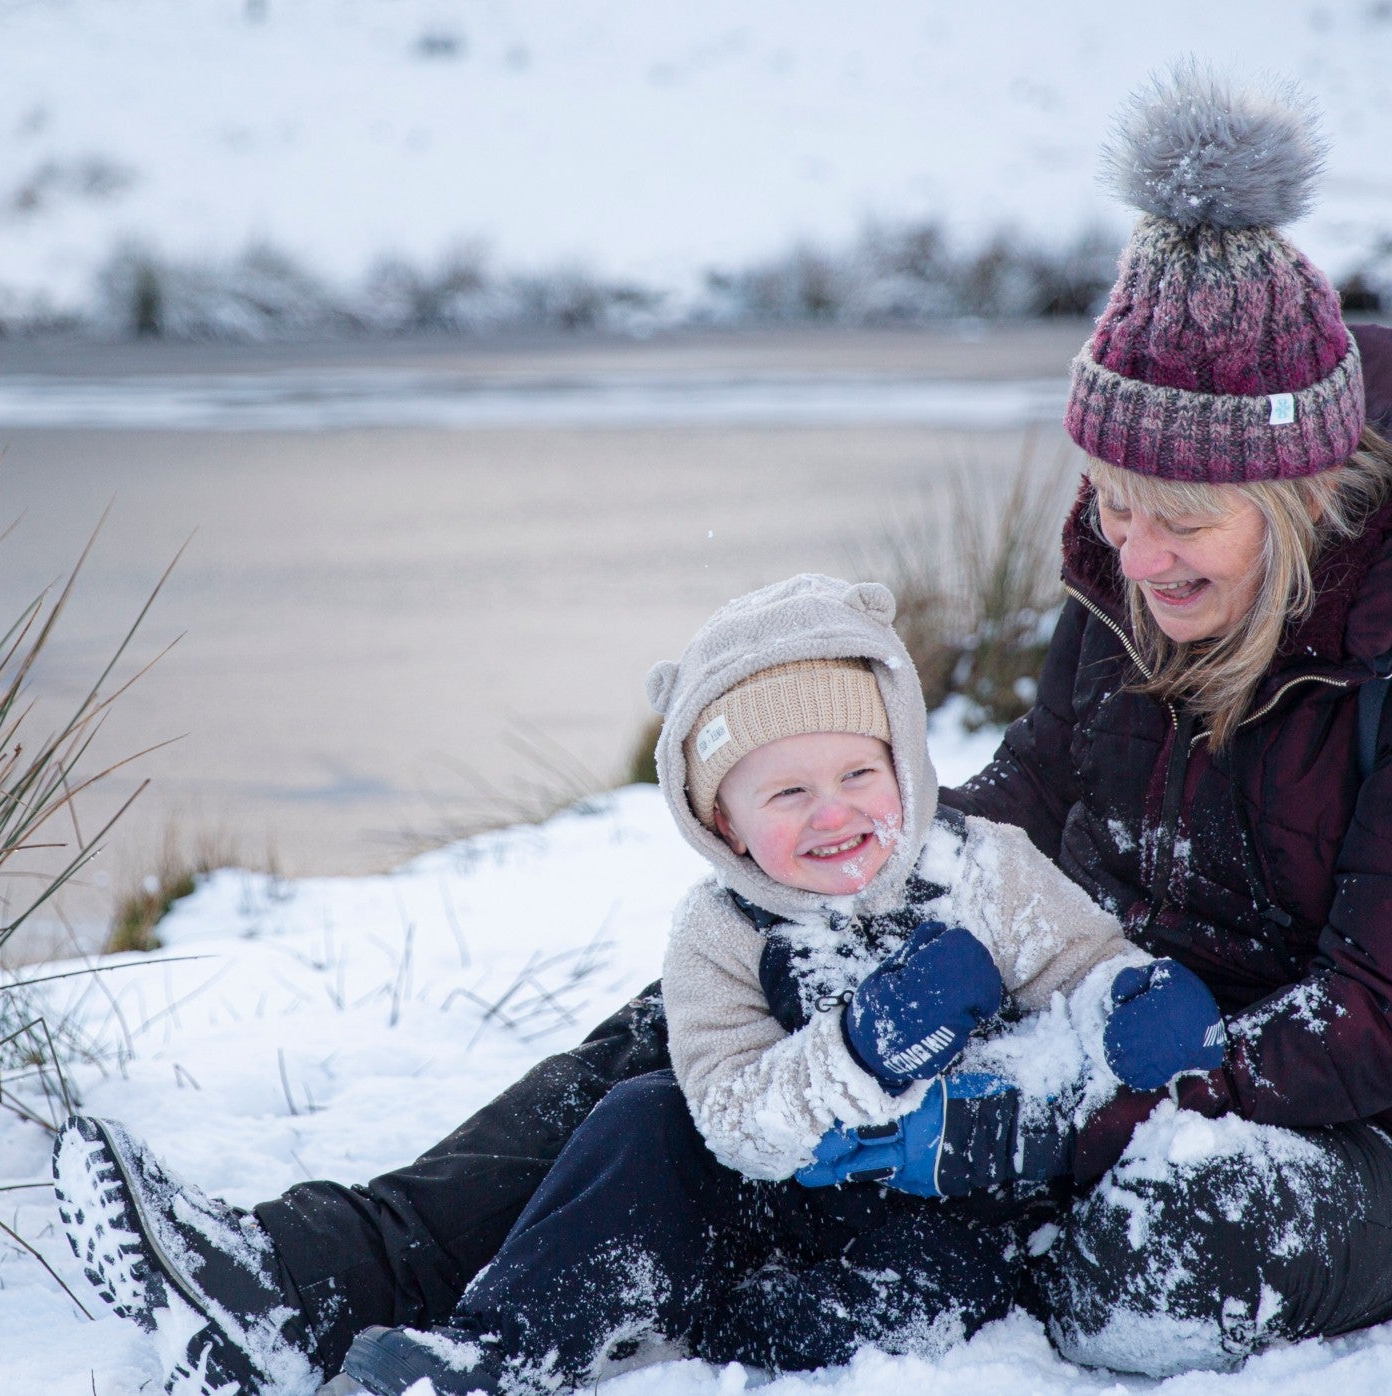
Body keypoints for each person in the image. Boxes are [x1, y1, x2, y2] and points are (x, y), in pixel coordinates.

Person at [51, 65, 1392, 1390]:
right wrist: (840, 891)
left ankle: (783, 1265)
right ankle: (313, 1276)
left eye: (1182, 519)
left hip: (1355, 1135)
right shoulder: (1134, 574)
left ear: (1295, 493)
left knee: (1151, 1256)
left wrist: (1079, 1105)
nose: (1137, 549)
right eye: (1110, 503)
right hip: (1077, 1007)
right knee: (745, 993)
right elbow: (1031, 806)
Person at [322, 575, 1225, 1396]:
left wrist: (1128, 997)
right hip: (769, 1191)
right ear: (725, 822)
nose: (834, 812)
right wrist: (859, 1050)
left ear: (903, 766)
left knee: (926, 1303)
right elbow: (731, 1116)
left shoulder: (979, 870)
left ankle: (711, 1311)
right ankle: (502, 1350)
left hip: (946, 1213)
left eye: (859, 775)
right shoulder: (718, 933)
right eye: (787, 794)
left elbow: (1079, 960)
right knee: (642, 1115)